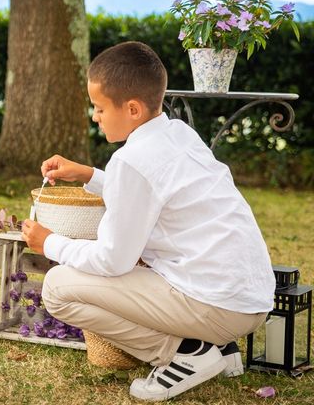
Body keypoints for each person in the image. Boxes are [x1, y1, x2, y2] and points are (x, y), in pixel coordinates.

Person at [21, 41, 275, 402]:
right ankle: (220, 349)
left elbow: (112, 260)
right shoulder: (179, 134)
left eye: (99, 108)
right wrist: (88, 174)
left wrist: (49, 243)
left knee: (58, 287)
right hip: (250, 301)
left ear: (133, 109)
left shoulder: (132, 160)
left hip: (216, 304)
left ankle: (186, 353)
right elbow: (149, 194)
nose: (95, 116)